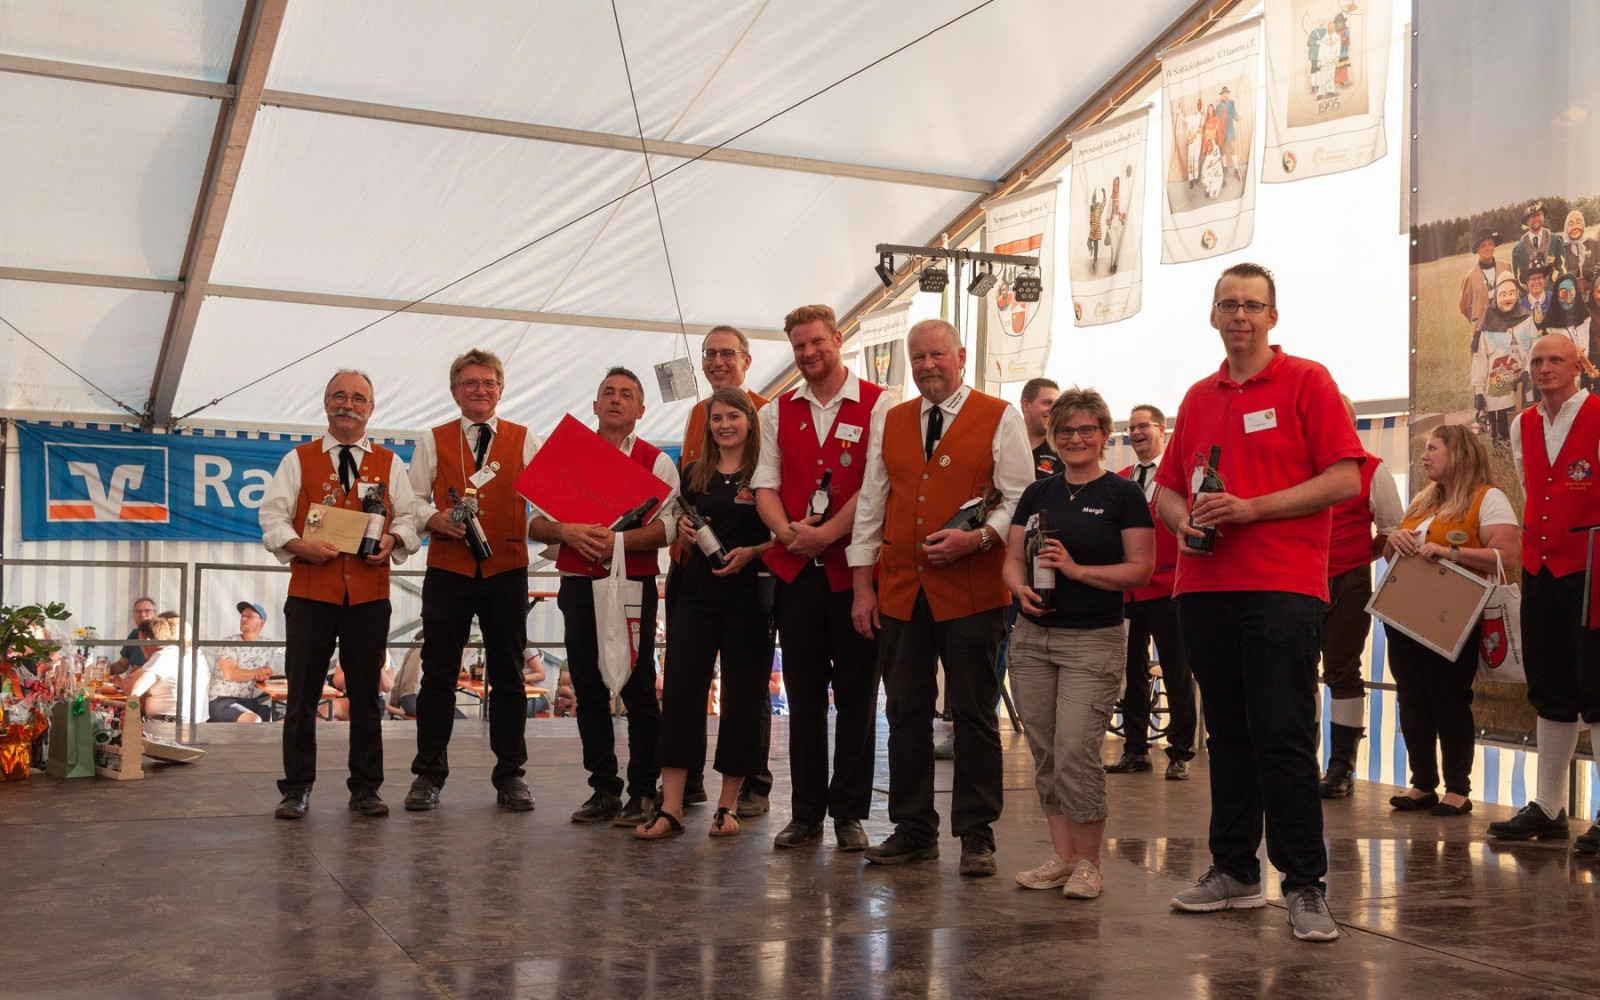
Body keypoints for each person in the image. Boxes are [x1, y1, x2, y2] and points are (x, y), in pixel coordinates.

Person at [1157, 262, 1362, 942]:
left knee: (1283, 733)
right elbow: (1166, 489)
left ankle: (1304, 884)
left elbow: (1343, 479)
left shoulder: (1307, 381)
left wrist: (1252, 509)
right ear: (1213, 316)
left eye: (1251, 305)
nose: (1239, 315)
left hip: (1281, 585)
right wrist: (1180, 520)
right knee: (1228, 735)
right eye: (1228, 305)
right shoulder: (1197, 397)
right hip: (1203, 588)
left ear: (1273, 316)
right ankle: (1235, 871)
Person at [849, 318, 1034, 876]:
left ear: (960, 355)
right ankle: (913, 829)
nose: (927, 365)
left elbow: (1021, 499)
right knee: (904, 711)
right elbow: (871, 502)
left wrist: (979, 538)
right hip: (902, 590)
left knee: (974, 712)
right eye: (918, 357)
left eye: (937, 354)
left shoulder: (1000, 416)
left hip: (974, 591)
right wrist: (862, 586)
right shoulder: (892, 419)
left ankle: (977, 835)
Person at [1002, 387, 1154, 899]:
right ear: (1053, 435)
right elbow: (1012, 558)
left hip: (1094, 641)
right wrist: (1018, 588)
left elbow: (1141, 569)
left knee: (1075, 750)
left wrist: (1075, 569)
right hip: (1032, 639)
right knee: (1045, 751)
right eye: (1065, 430)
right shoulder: (1037, 493)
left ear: (1103, 435)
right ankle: (1063, 857)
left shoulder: (1123, 495)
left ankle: (1089, 863)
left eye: (1087, 429)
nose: (1076, 439)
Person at [753, 303, 892, 852]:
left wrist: (827, 533)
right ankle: (806, 812)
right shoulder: (776, 410)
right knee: (803, 699)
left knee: (858, 698)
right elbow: (765, 485)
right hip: (798, 575)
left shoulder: (880, 404)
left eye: (816, 342)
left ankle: (849, 815)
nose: (808, 353)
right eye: (799, 346)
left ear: (837, 338)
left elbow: (876, 486)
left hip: (857, 573)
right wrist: (787, 533)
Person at [259, 368, 420, 820]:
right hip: (311, 594)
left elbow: (409, 519)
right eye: (339, 396)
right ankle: (296, 787)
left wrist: (394, 539)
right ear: (326, 403)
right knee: (302, 694)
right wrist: (299, 545)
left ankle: (366, 788)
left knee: (367, 695)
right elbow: (272, 518)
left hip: (369, 596)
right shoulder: (298, 459)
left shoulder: (391, 463)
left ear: (372, 407)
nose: (348, 404)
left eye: (358, 398)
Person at [528, 367, 678, 828]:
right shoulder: (567, 456)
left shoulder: (657, 461)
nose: (616, 399)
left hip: (632, 584)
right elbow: (533, 524)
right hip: (577, 583)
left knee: (638, 687)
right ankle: (603, 788)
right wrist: (566, 531)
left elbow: (669, 529)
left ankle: (644, 791)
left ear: (640, 409)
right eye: (608, 393)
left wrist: (617, 543)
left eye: (626, 394)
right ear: (594, 405)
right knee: (588, 687)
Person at [403, 349, 540, 814]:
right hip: (448, 569)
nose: (480, 391)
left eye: (488, 383)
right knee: (438, 674)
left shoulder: (525, 439)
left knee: (510, 676)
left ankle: (511, 775)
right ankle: (428, 774)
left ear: (500, 390)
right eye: (470, 383)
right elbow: (411, 501)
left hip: (506, 569)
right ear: (454, 391)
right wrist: (433, 518)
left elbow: (547, 504)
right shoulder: (432, 440)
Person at [637, 387, 776, 840]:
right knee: (680, 695)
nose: (724, 425)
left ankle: (727, 806)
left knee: (742, 700)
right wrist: (682, 530)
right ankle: (671, 808)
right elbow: (677, 526)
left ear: (750, 421)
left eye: (733, 416)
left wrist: (752, 553)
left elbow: (784, 534)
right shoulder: (693, 473)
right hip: (695, 595)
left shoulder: (766, 474)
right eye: (717, 418)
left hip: (749, 600)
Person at [1490, 335, 1600, 848]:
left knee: (1597, 689)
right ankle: (1549, 807)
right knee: (1549, 685)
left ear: (1577, 366)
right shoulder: (1522, 424)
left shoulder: (1597, 413)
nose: (1544, 367)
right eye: (1537, 360)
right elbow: (1532, 489)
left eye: (1556, 359)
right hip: (1541, 567)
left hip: (1591, 567)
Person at [1382, 425, 1517, 817]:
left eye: (1432, 448)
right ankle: (1422, 783)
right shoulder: (1423, 501)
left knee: (1449, 698)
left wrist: (1450, 552)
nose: (1424, 456)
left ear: (1457, 453)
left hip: (1453, 615)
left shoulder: (1487, 498)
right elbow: (1394, 555)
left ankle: (1457, 789)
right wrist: (1394, 542)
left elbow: (1506, 557)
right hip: (1404, 613)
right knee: (1411, 697)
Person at [673, 324, 775, 818]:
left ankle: (752, 782)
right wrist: (682, 532)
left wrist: (755, 552)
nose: (717, 361)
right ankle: (685, 782)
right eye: (709, 353)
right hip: (693, 575)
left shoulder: (770, 412)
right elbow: (688, 493)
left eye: (726, 353)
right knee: (685, 683)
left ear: (746, 360)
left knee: (747, 690)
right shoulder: (697, 413)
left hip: (749, 583)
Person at [1317, 396, 1404, 798]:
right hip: (1297, 580)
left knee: (1342, 671)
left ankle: (1341, 768)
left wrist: (1354, 559)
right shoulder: (1298, 466)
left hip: (1348, 582)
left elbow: (1390, 532)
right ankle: (1299, 761)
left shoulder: (1373, 469)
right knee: (1295, 672)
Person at [1106, 404, 1198, 780]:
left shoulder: (1179, 480)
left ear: (1162, 430)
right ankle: (1135, 748)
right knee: (1131, 671)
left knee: (1177, 670)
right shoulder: (1119, 480)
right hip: (1128, 592)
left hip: (1168, 589)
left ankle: (1180, 752)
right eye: (1131, 428)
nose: (1136, 433)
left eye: (1143, 426)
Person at [1469, 273, 1536, 442]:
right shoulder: (1486, 327)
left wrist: (1528, 371)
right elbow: (1480, 361)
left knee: (1526, 437)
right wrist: (1479, 392)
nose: (1508, 298)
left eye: (1511, 293)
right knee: (1501, 440)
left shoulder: (1527, 319)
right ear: (1496, 296)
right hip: (1497, 397)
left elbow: (1535, 349)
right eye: (1503, 294)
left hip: (1524, 390)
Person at [209, 601, 276, 723]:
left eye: (249, 616)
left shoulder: (267, 645)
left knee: (284, 719)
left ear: (261, 622)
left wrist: (267, 671)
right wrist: (259, 672)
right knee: (254, 720)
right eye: (242, 616)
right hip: (222, 701)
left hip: (249, 702)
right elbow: (231, 674)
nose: (243, 619)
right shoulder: (229, 642)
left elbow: (267, 670)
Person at [113, 614, 181, 722]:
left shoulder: (163, 656)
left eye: (140, 642)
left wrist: (122, 683)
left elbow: (133, 691)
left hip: (165, 722)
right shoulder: (172, 652)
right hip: (167, 719)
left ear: (147, 641)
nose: (140, 647)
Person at [1459, 229, 1508, 354]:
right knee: (1484, 360)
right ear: (1477, 250)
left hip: (1507, 325)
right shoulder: (1470, 277)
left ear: (1494, 245)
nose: (1488, 248)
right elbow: (1464, 307)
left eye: (1490, 244)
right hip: (1483, 331)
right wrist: (1477, 318)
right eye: (1483, 246)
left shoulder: (1506, 267)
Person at [1512, 201, 1563, 287]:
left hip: (1553, 292)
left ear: (1543, 216)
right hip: (1529, 294)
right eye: (1532, 216)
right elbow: (1517, 278)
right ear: (1527, 221)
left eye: (1539, 214)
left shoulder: (1556, 240)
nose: (1536, 218)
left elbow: (1562, 268)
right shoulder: (1518, 249)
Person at [1021, 378, 1063, 478]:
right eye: (1047, 402)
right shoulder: (1003, 443)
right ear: (1026, 405)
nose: (1053, 410)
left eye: (1056, 405)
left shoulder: (1062, 452)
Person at [107, 596, 157, 676]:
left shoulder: (162, 636)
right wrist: (103, 668)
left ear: (155, 614)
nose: (143, 615)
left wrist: (139, 670)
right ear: (134, 615)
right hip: (134, 681)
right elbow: (122, 665)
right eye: (138, 612)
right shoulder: (134, 634)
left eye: (147, 611)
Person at [1216, 86, 1241, 182]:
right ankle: (1225, 169)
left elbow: (1234, 114)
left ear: (1228, 94)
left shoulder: (1231, 103)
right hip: (1221, 133)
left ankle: (1236, 170)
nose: (1224, 95)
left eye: (1226, 93)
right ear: (1221, 95)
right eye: (1223, 94)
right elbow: (1217, 120)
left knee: (1233, 150)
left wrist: (1237, 118)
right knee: (1223, 152)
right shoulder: (1218, 107)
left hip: (1230, 131)